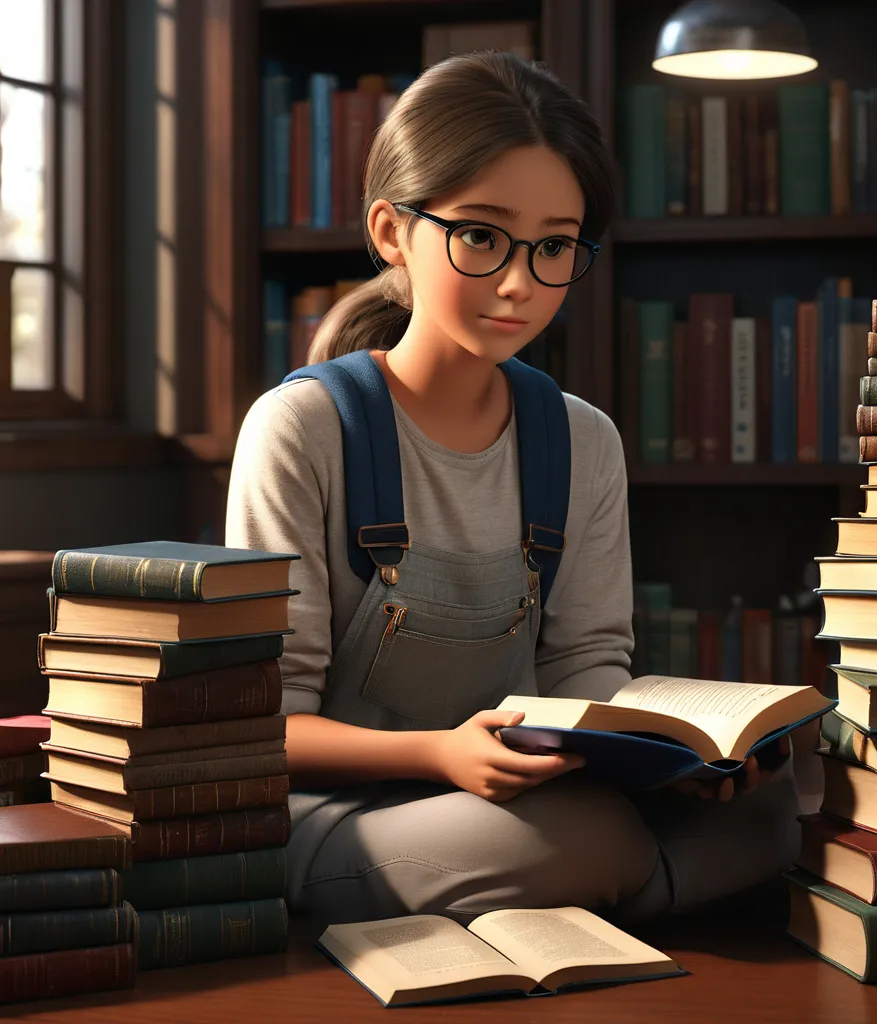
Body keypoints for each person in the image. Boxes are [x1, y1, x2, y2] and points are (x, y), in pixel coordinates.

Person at [225, 50, 803, 928]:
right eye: (482, 235)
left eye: (555, 246)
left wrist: (693, 763)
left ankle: (596, 881)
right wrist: (439, 757)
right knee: (583, 842)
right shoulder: (302, 429)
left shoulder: (582, 439)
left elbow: (586, 673)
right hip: (340, 815)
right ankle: (624, 883)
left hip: (531, 805)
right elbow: (263, 729)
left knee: (781, 798)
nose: (519, 282)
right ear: (392, 232)